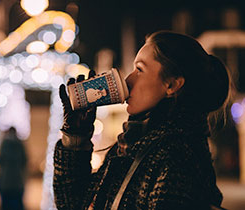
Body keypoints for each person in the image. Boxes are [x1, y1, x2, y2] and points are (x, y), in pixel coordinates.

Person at [53, 31, 231, 210]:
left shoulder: (176, 156)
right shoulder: (133, 143)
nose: (128, 80)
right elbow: (74, 204)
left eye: (139, 69)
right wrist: (76, 137)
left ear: (172, 85)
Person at [0, 127, 27, 210]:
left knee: (6, 204)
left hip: (6, 181)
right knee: (17, 203)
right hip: (17, 180)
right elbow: (24, 160)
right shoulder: (19, 144)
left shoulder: (5, 144)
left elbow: (0, 160)